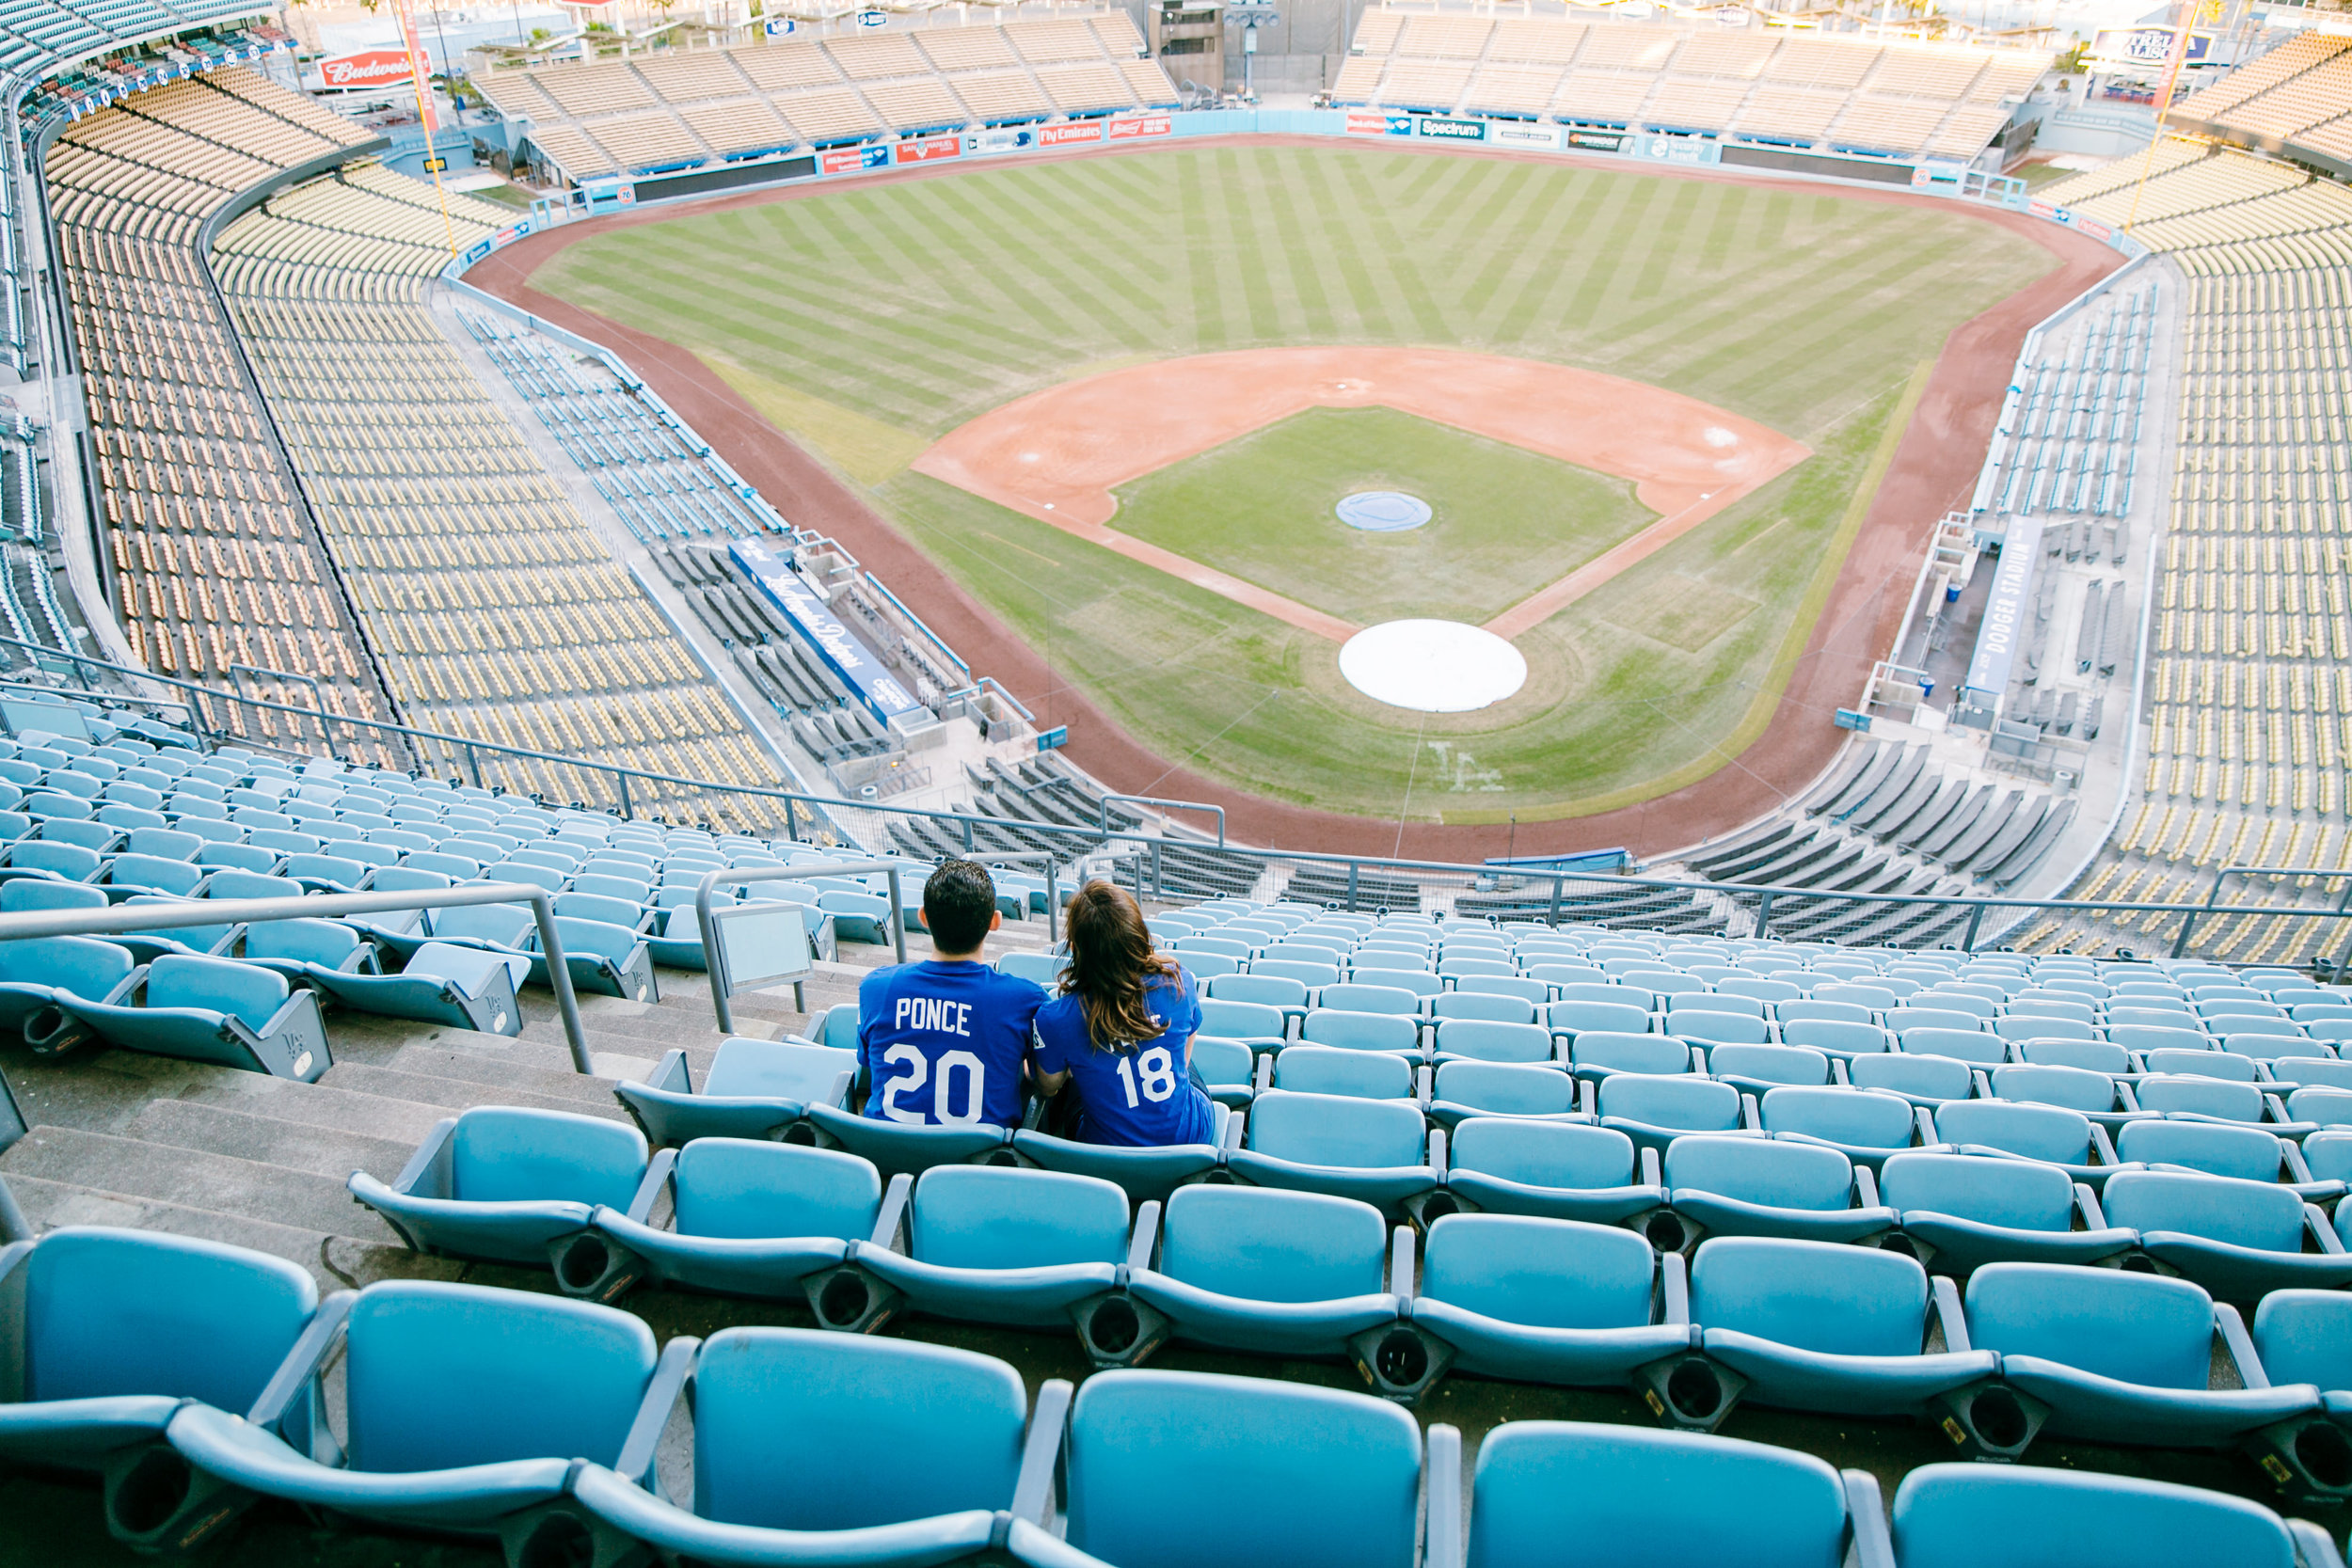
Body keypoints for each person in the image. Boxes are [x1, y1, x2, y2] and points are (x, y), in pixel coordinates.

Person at [857, 859, 1045, 1128]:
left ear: (923, 917)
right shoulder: (1027, 998)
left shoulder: (875, 988)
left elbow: (868, 1063)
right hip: (978, 1161)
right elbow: (1044, 1077)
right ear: (995, 921)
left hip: (885, 1155)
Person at [1032, 879, 1216, 1148]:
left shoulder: (1055, 1017)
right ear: (1139, 934)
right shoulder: (1178, 980)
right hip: (1188, 1138)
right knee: (1177, 1050)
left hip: (1106, 1151)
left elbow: (1049, 1087)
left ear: (1075, 950)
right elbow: (1187, 1049)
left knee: (1072, 1075)